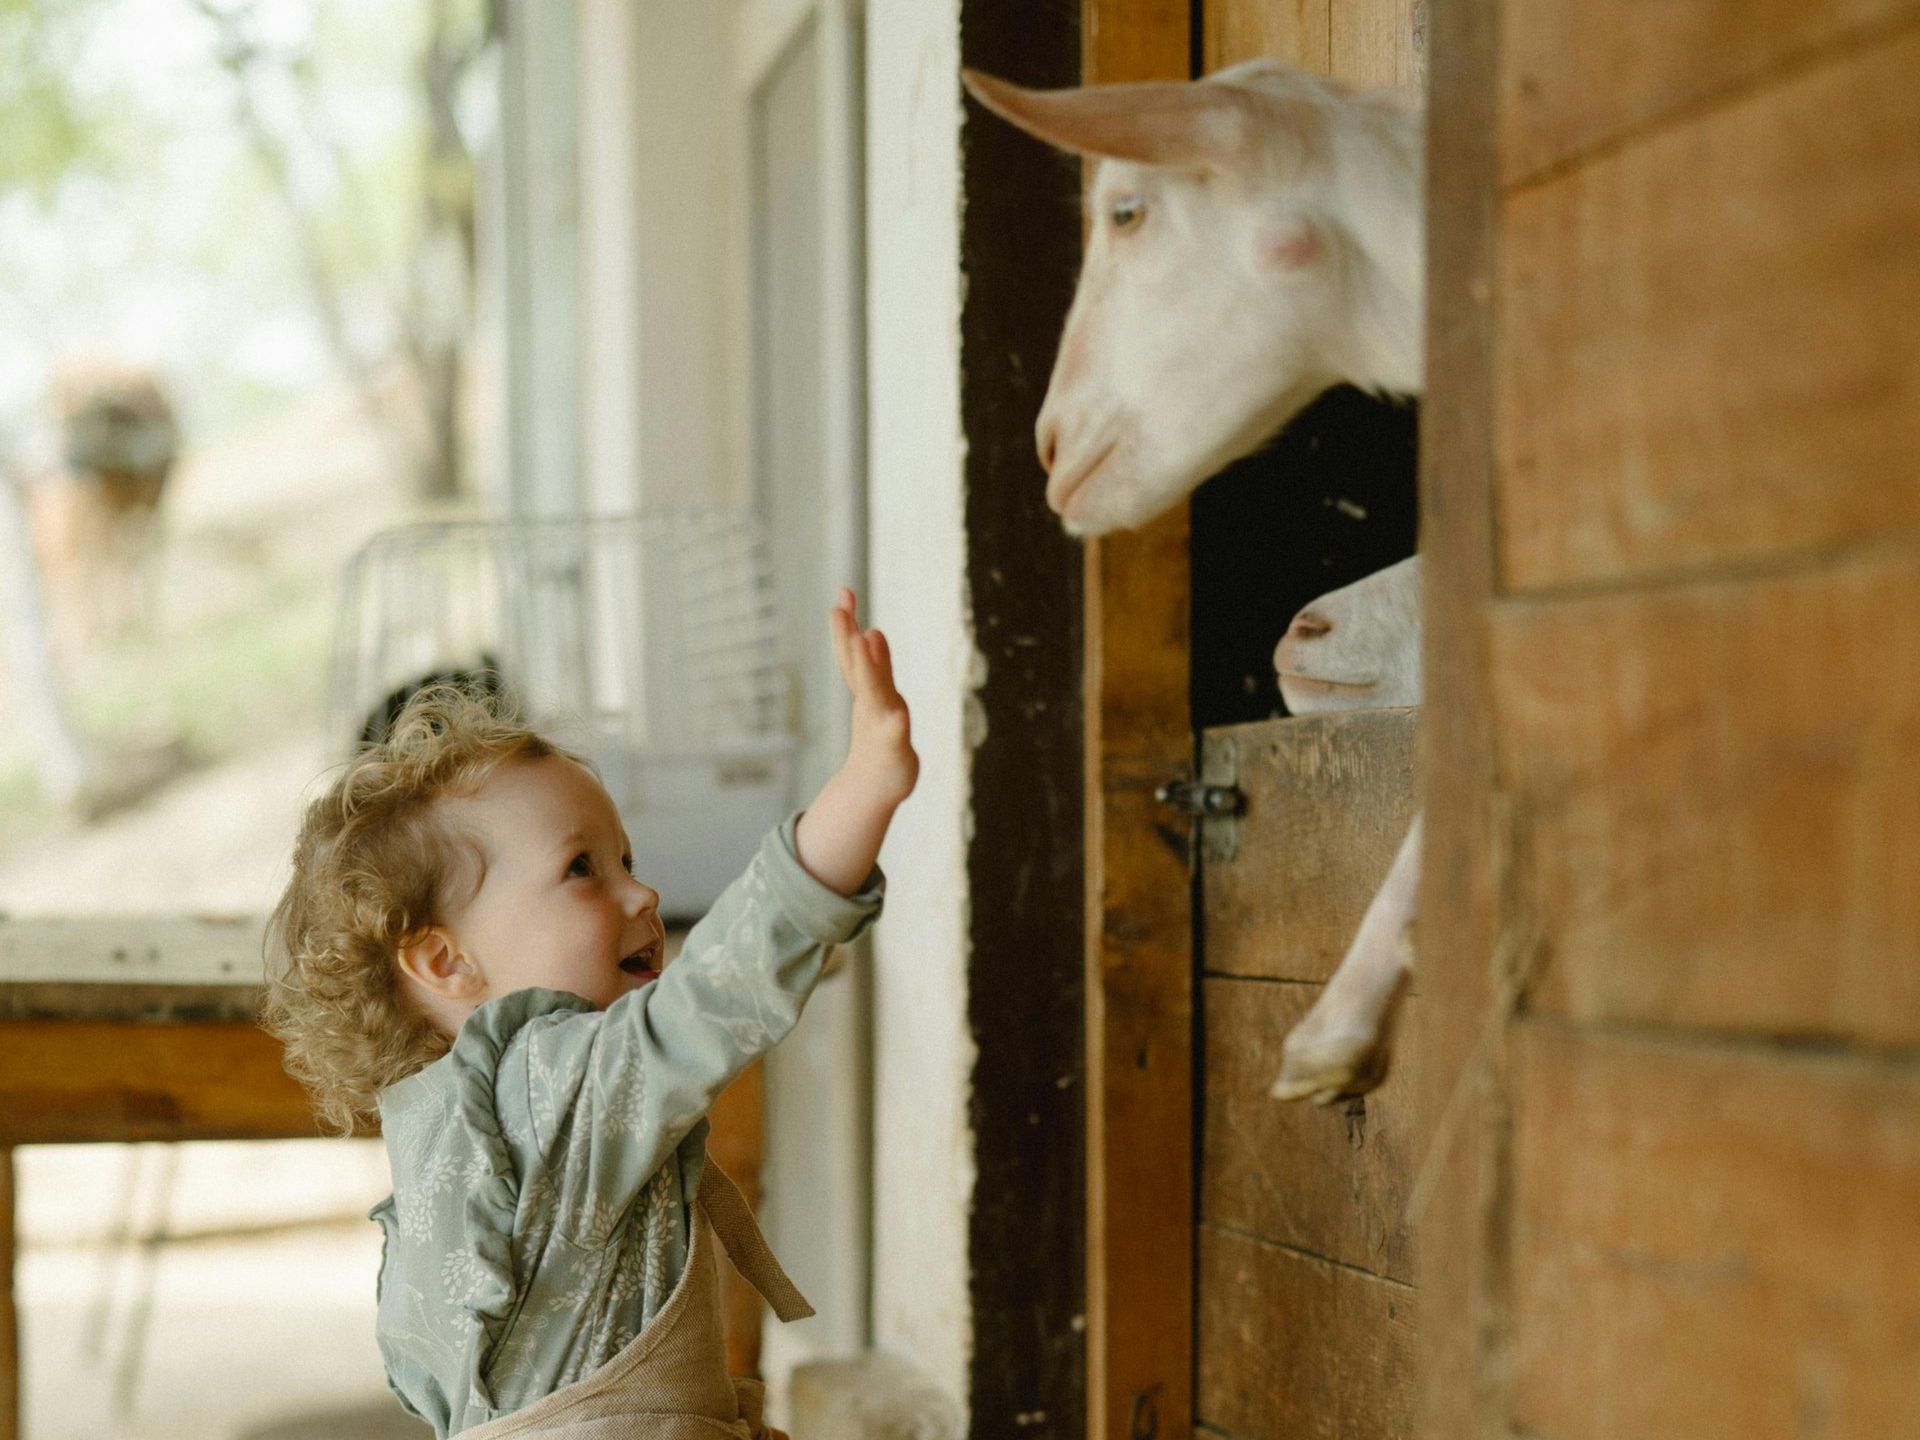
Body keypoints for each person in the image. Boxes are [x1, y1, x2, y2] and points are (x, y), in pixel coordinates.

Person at [262, 589, 917, 1439]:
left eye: (627, 859)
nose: (642, 893)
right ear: (445, 961)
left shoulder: (435, 1138)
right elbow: (717, 992)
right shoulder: (553, 1082)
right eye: (582, 869)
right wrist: (866, 784)